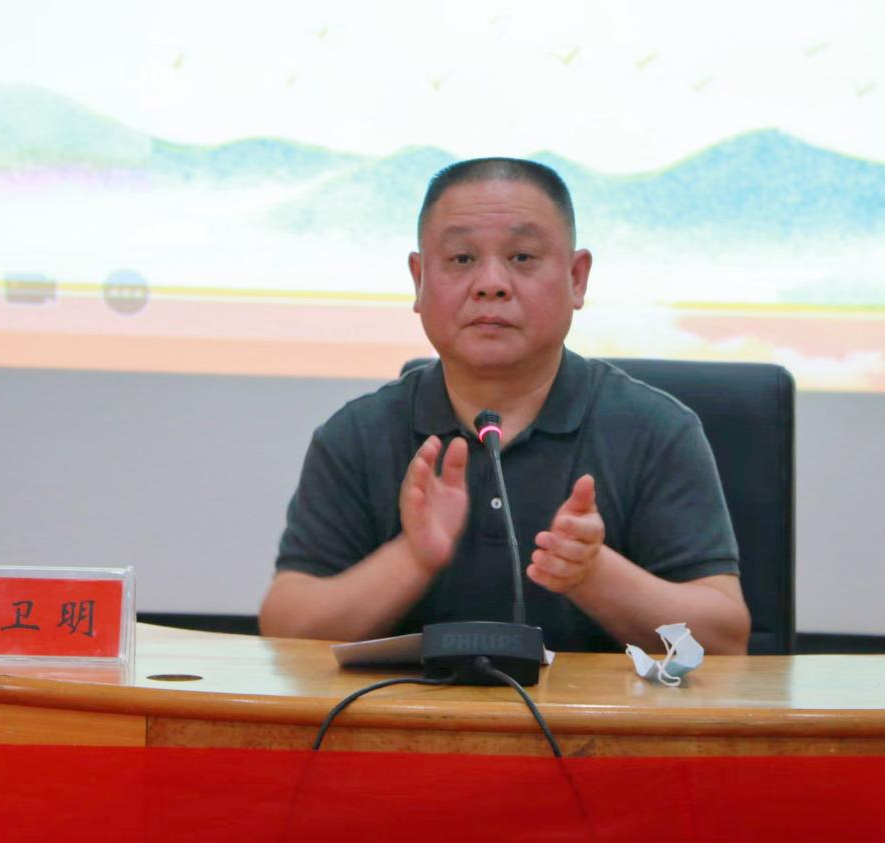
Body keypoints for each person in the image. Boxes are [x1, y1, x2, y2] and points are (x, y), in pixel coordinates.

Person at [259, 158, 750, 654]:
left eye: (522, 257)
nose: (490, 283)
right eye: (461, 259)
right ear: (419, 280)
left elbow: (725, 638)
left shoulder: (655, 429)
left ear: (577, 278)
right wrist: (412, 558)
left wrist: (592, 572)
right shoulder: (358, 434)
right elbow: (285, 629)